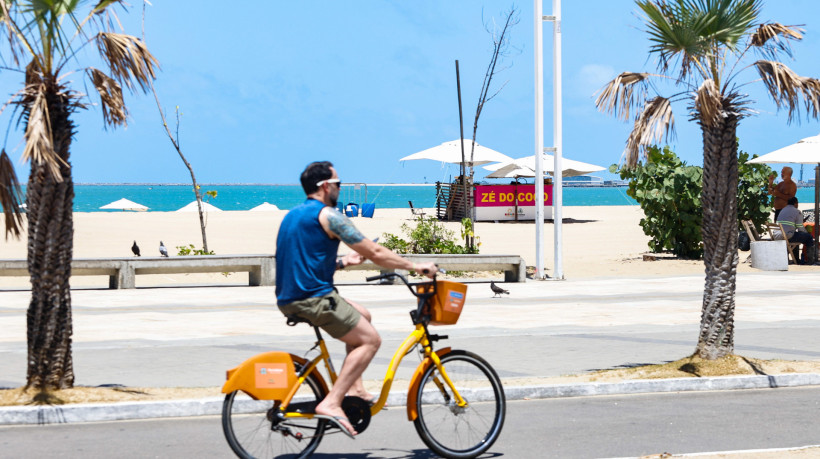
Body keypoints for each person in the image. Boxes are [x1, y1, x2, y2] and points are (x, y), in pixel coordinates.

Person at [275, 161, 438, 436]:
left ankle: (357, 389)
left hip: (290, 297)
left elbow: (303, 259)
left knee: (363, 315)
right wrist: (415, 266)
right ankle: (332, 401)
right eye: (338, 184)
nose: (340, 188)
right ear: (325, 186)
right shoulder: (328, 215)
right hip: (314, 298)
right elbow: (374, 251)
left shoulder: (293, 215)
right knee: (371, 339)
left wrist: (342, 263)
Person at [776, 197, 814, 263]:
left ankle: (796, 259)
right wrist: (807, 232)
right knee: (809, 237)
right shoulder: (796, 211)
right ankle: (810, 261)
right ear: (796, 203)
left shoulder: (783, 210)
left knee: (796, 236)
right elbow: (800, 228)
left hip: (777, 235)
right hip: (786, 236)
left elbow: (788, 224)